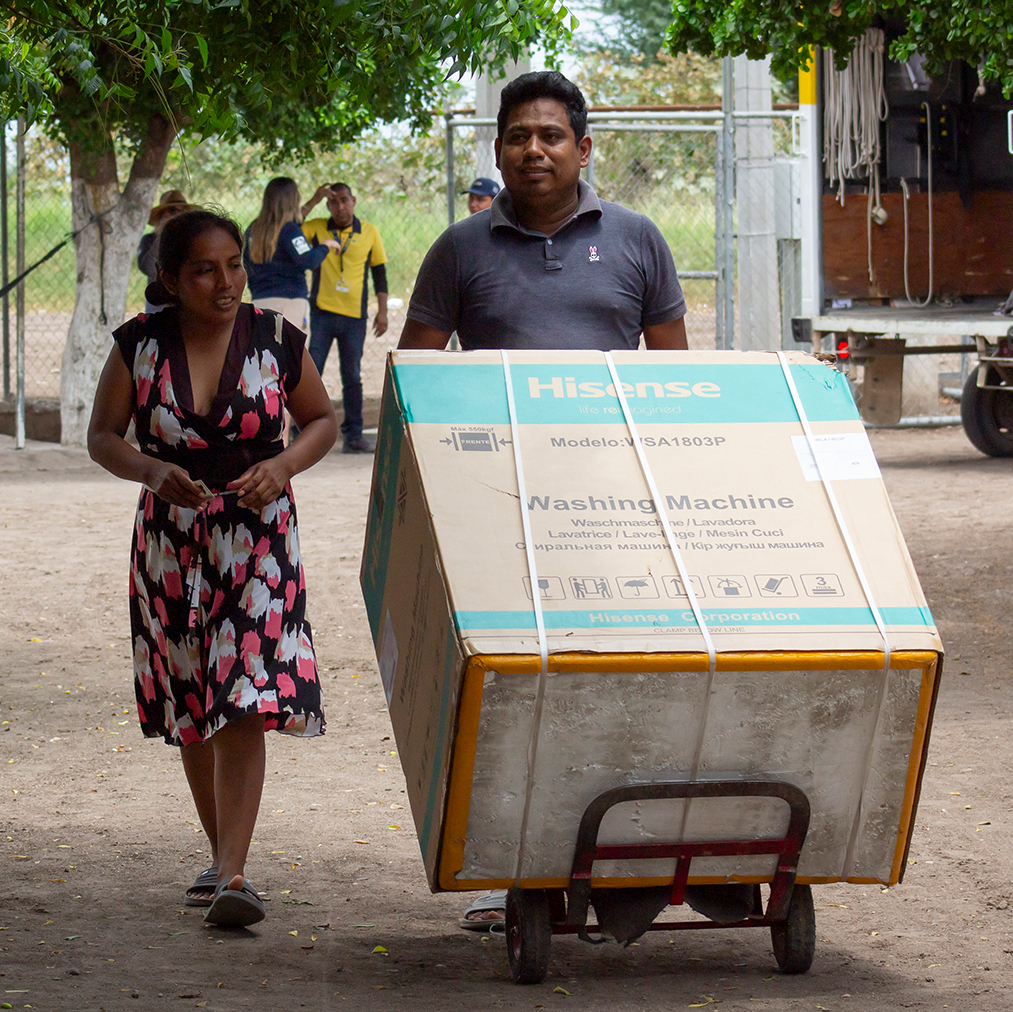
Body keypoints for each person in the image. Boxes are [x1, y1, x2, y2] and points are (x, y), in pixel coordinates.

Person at [401, 71, 712, 936]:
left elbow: (674, 382)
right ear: (497, 148)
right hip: (496, 525)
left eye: (548, 135)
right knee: (514, 692)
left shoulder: (638, 240)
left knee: (622, 682)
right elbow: (414, 385)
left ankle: (625, 866)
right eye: (515, 137)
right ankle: (521, 872)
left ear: (583, 147)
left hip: (613, 518)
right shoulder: (458, 251)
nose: (531, 150)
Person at [87, 208, 338, 929]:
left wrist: (282, 465)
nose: (226, 282)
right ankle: (218, 853)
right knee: (191, 701)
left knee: (244, 694)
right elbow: (102, 438)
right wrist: (150, 470)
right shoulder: (139, 346)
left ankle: (233, 873)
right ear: (170, 278)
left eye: (234, 265)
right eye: (204, 269)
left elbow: (319, 419)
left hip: (259, 540)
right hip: (171, 543)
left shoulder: (276, 339)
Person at [302, 183, 388, 454]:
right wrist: (314, 199)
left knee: (351, 375)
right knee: (310, 371)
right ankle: (299, 432)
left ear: (354, 200)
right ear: (328, 206)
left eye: (344, 201)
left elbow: (380, 273)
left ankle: (354, 435)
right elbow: (290, 225)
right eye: (333, 202)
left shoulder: (370, 231)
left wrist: (382, 311)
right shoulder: (316, 227)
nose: (340, 207)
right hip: (321, 313)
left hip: (354, 316)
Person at [244, 177, 341, 332]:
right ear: (293, 200)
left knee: (266, 355)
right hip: (289, 303)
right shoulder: (290, 230)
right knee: (293, 355)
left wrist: (315, 200)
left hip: (259, 303)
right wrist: (325, 246)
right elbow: (308, 260)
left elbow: (246, 265)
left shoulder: (254, 229)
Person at [137, 190, 198, 313]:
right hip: (160, 301)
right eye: (173, 211)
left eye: (183, 211)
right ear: (162, 215)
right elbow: (149, 269)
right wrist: (163, 234)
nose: (178, 215)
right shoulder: (150, 240)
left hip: (187, 298)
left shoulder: (193, 239)